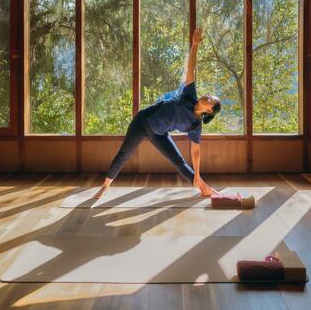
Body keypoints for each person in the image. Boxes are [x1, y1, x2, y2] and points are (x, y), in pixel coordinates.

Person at [93, 27, 222, 199]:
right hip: (142, 122)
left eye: (210, 100)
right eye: (208, 95)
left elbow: (195, 152)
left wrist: (197, 174)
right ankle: (105, 186)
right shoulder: (190, 95)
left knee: (179, 162)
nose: (206, 96)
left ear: (209, 110)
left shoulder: (195, 125)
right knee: (124, 155)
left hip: (158, 133)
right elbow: (191, 69)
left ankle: (202, 187)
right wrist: (195, 44)